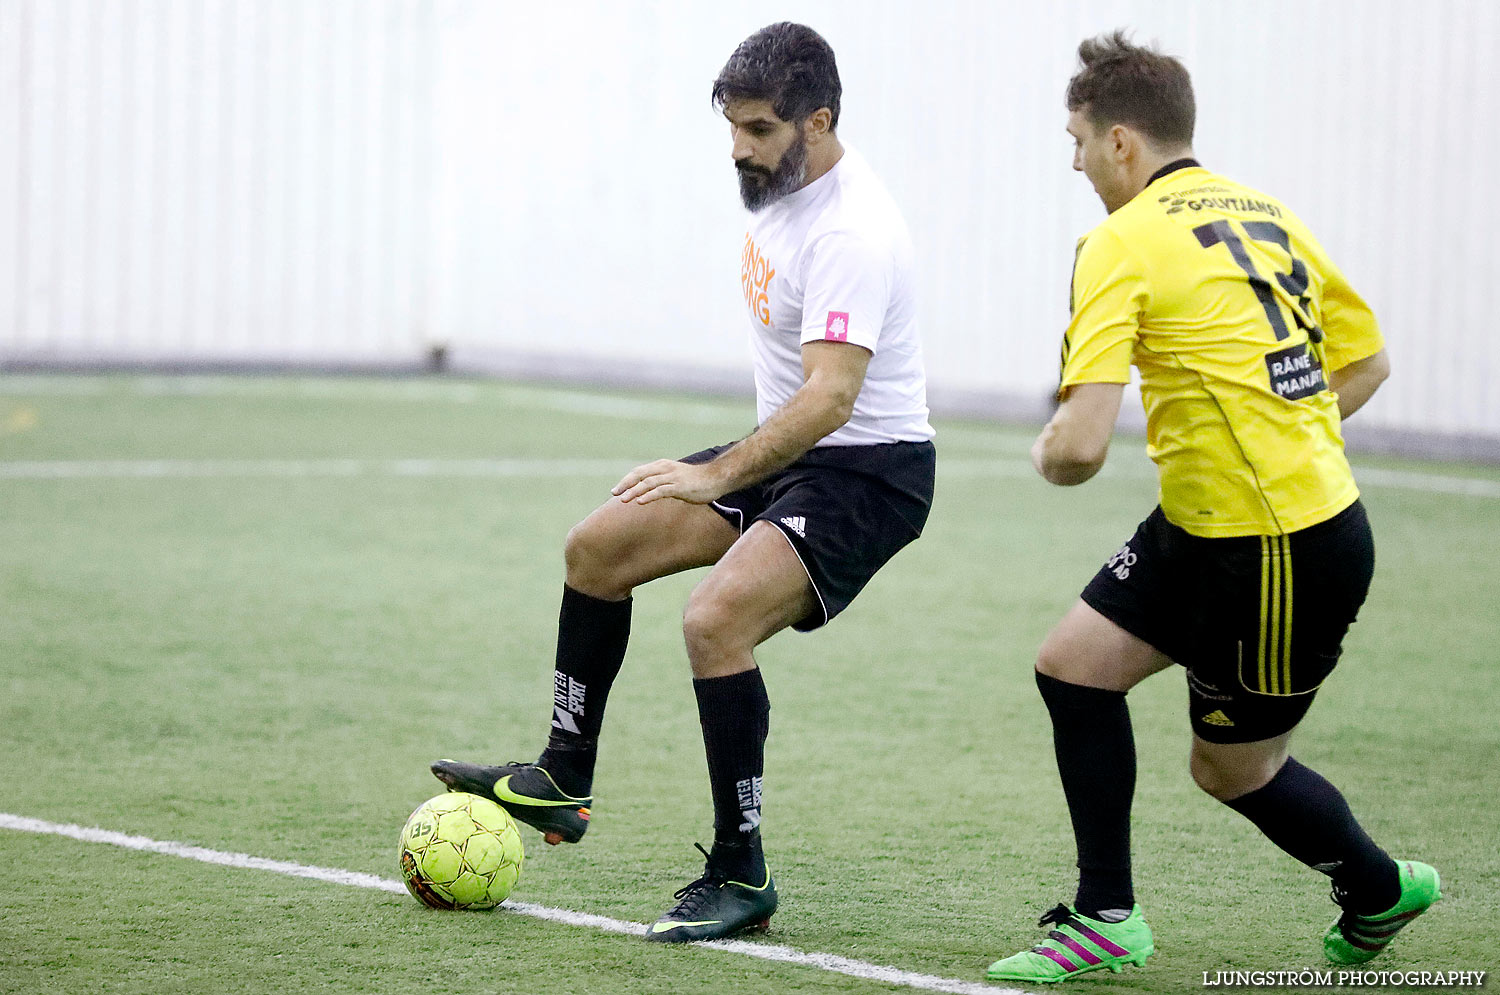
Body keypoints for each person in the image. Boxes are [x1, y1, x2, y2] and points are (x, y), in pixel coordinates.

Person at [432, 22, 936, 943]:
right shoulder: (780, 185)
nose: (740, 149)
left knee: (714, 620)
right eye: (733, 128)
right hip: (792, 453)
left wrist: (715, 477)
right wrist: (734, 471)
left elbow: (832, 399)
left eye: (758, 130)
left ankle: (740, 872)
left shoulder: (854, 230)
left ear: (818, 122)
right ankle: (562, 776)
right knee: (597, 547)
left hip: (872, 470)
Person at [985, 31, 1438, 984]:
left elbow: (1076, 448)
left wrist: (1045, 447)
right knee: (1072, 668)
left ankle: (1378, 885)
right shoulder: (1262, 207)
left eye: (1075, 140)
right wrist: (1282, 436)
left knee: (1230, 769)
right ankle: (1107, 915)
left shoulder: (1119, 240)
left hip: (1279, 548)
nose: (1071, 162)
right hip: (1210, 522)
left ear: (1120, 143)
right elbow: (1367, 360)